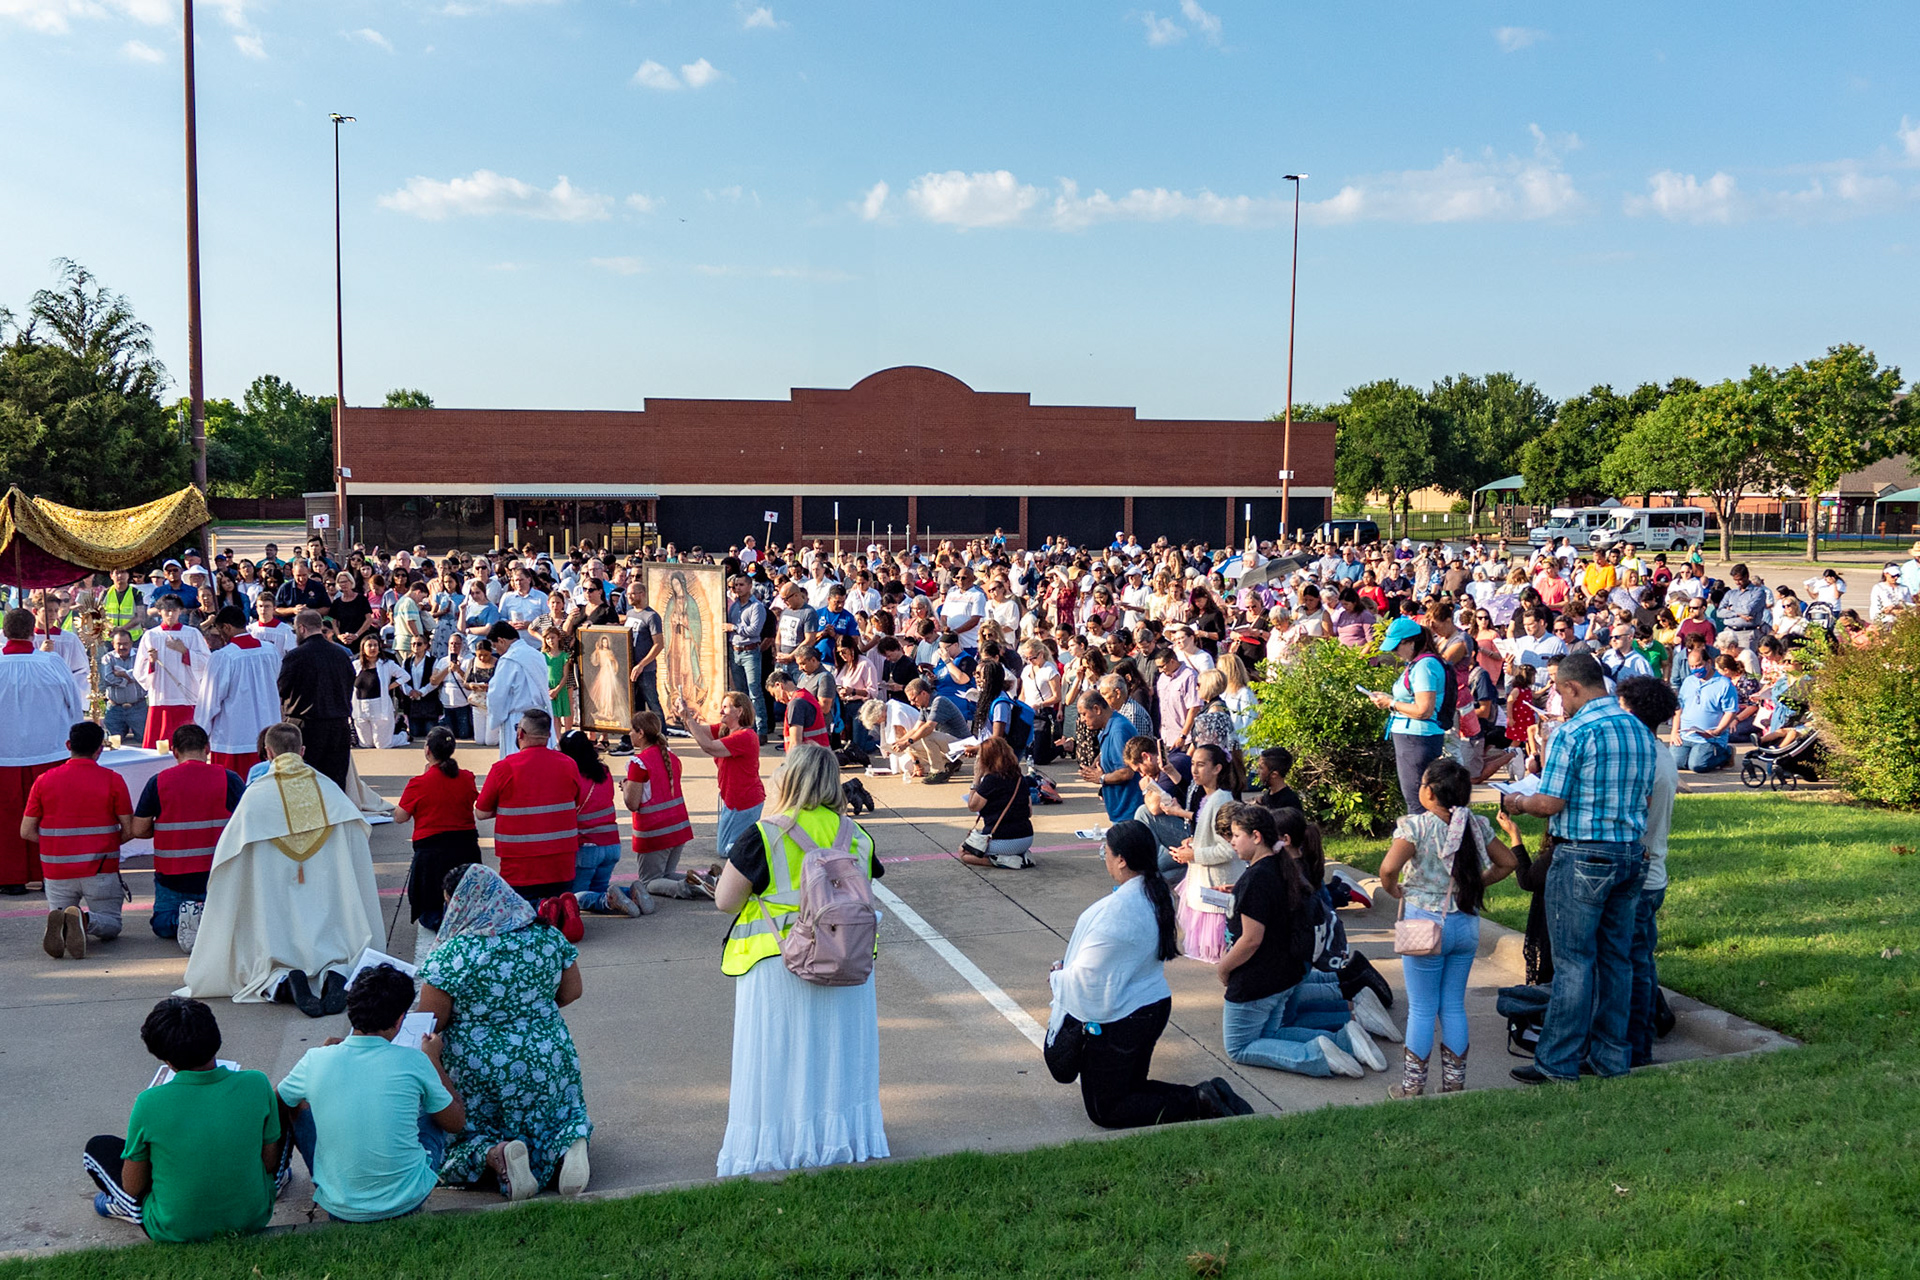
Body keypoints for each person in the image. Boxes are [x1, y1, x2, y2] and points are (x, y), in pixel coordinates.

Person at [713, 744, 888, 1176]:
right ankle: (839, 1140)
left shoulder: (766, 832)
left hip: (777, 964)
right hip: (847, 963)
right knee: (836, 1058)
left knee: (777, 1063)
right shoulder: (858, 836)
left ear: (789, 779)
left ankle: (778, 1145)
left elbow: (725, 900)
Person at [1501, 652, 1658, 1084]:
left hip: (1583, 855)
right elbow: (1644, 799)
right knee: (1616, 960)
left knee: (1574, 962)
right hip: (1630, 853)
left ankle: (1557, 1061)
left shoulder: (1575, 732)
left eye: (1559, 692)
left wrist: (1516, 802)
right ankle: (1611, 1057)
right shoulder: (1640, 731)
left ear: (1572, 687)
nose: (1558, 701)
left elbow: (1550, 803)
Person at [1049, 820, 1252, 1128]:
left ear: (1121, 859)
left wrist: (1057, 977)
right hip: (1147, 1007)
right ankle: (1206, 1096)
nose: (1103, 855)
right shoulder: (1152, 894)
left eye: (1106, 850)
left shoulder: (1117, 911)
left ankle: (1200, 1100)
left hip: (1125, 1019)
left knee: (1106, 1110)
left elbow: (1088, 982)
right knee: (1127, 1088)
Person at [178, 722, 380, 1018]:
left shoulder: (256, 797)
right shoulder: (329, 791)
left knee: (269, 946)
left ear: (268, 753)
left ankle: (283, 980)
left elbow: (228, 858)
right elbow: (356, 843)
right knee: (336, 944)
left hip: (272, 893)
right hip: (324, 888)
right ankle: (336, 972)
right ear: (302, 751)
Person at [417, 864, 593, 1201]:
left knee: (460, 1136)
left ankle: (496, 1154)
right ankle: (568, 1143)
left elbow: (430, 1022)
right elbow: (572, 992)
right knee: (556, 1116)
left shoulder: (452, 954)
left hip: (480, 1071)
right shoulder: (547, 936)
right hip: (549, 1058)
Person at [277, 964, 467, 1221]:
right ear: (400, 1020)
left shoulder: (316, 1059)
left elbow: (278, 1099)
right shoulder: (415, 1061)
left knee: (296, 1104)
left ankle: (292, 1176)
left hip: (339, 1202)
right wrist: (433, 1059)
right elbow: (455, 1122)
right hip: (407, 1198)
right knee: (433, 1109)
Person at [82, 997, 281, 1240]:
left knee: (97, 1149)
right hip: (253, 1216)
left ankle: (120, 1207)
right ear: (215, 1039)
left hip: (175, 1227)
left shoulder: (149, 1102)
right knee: (278, 1112)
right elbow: (269, 1163)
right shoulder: (257, 1083)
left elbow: (133, 1187)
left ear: (165, 1059)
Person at [1377, 757, 1517, 1098]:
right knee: (1453, 1005)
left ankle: (1412, 1087)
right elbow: (1509, 862)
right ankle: (1454, 1084)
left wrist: (1395, 890)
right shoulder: (1476, 825)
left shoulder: (1417, 827)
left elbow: (1387, 870)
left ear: (1429, 792)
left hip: (1424, 925)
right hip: (1464, 923)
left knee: (1423, 1008)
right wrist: (1476, 884)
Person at [1216, 804, 1382, 1080]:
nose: (1232, 841)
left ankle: (1317, 1055)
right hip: (1285, 974)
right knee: (1272, 1033)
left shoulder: (1257, 878)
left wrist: (1224, 968)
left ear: (1256, 836)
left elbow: (1251, 940)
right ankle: (1345, 1041)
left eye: (1236, 835)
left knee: (1239, 1046)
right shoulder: (1282, 867)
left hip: (1258, 980)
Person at [129, 723, 243, 952]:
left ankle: (185, 921)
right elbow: (246, 822)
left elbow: (138, 829)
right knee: (236, 921)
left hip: (173, 876)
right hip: (217, 873)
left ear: (174, 751)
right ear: (208, 748)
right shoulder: (229, 779)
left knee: (161, 925)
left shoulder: (158, 782)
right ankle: (210, 921)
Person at [24, 721, 134, 958]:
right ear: (100, 749)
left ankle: (64, 922)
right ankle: (85, 919)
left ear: (68, 745)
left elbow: (26, 831)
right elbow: (129, 828)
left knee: (60, 912)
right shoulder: (112, 779)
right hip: (101, 868)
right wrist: (109, 843)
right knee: (111, 926)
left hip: (56, 870)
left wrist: (57, 846)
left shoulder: (44, 780)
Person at [1617, 676, 1681, 1069]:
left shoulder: (1647, 761)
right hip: (1652, 873)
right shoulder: (1656, 752)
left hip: (1643, 876)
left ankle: (1639, 1046)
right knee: (1641, 958)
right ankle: (1651, 1023)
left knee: (1635, 964)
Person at [0, 607, 86, 893]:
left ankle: (10, 877)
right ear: (30, 632)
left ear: (4, 631)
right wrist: (75, 742)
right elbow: (74, 703)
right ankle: (53, 871)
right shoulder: (52, 662)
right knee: (50, 816)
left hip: (6, 752)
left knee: (7, 816)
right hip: (50, 749)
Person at [474, 709, 585, 903]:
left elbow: (481, 812)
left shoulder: (503, 768)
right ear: (549, 734)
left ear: (520, 734)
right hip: (561, 865)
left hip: (519, 867)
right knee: (559, 905)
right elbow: (575, 801)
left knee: (521, 918)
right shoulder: (569, 765)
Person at [392, 727, 481, 935]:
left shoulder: (419, 784)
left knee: (430, 913)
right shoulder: (467, 778)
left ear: (428, 751)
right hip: (465, 848)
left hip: (431, 854)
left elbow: (400, 816)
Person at [679, 690, 766, 877]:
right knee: (726, 848)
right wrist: (686, 717)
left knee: (727, 850)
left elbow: (708, 746)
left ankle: (765, 851)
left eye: (726, 707)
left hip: (744, 800)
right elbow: (698, 731)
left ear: (740, 712)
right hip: (733, 798)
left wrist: (689, 719)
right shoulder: (725, 730)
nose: (721, 711)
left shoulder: (745, 736)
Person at [1366, 616, 1447, 815]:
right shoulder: (1418, 664)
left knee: (1417, 802)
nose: (1394, 653)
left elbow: (1423, 709)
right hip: (1415, 737)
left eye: (1396, 648)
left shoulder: (1424, 666)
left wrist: (1391, 703)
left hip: (1416, 739)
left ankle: (1424, 843)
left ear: (1410, 642)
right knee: (1420, 800)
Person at [1169, 743, 1241, 963]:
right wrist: (1194, 842)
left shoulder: (1221, 802)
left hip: (1217, 885)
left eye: (1201, 765)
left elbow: (1228, 849)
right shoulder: (1209, 798)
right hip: (1204, 883)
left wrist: (1193, 855)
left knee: (1217, 956)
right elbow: (1211, 837)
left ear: (1217, 768)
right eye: (1193, 764)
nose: (1194, 770)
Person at [194, 607, 284, 777]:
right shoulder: (270, 651)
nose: (220, 636)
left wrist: (201, 732)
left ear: (227, 627)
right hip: (268, 735)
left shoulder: (224, 656)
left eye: (220, 630)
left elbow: (209, 700)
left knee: (234, 792)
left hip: (233, 738)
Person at [559, 729, 640, 917]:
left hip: (586, 845)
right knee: (600, 887)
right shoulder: (603, 771)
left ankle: (610, 901)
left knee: (574, 897)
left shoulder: (570, 775)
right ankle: (631, 893)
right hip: (612, 843)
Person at [277, 610, 356, 790]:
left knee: (305, 781)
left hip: (306, 726)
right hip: (339, 724)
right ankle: (334, 817)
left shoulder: (295, 656)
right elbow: (351, 683)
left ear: (302, 628)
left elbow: (282, 688)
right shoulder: (341, 654)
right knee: (335, 783)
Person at [621, 710, 694, 905]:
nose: (629, 734)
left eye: (632, 730)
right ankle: (702, 881)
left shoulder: (639, 764)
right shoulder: (671, 756)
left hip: (655, 832)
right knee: (667, 874)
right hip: (678, 828)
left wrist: (626, 786)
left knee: (648, 881)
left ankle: (685, 888)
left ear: (641, 733)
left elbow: (632, 803)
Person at [134, 595, 210, 749]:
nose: (170, 614)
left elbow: (207, 662)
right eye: (166, 610)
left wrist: (185, 652)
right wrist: (151, 662)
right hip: (162, 695)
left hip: (186, 695)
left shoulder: (192, 634)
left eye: (174, 610)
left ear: (180, 611)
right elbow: (138, 670)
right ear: (160, 612)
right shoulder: (151, 635)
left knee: (188, 744)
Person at [481, 620, 553, 759]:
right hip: (540, 716)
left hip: (518, 719)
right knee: (539, 759)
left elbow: (497, 694)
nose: (497, 651)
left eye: (495, 646)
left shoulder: (509, 659)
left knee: (517, 760)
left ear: (501, 641)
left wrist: (495, 717)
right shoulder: (537, 655)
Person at [959, 735, 1033, 869]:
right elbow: (1029, 811)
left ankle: (1001, 860)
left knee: (964, 852)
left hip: (1003, 840)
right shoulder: (1019, 778)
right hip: (1026, 837)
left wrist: (976, 778)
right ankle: (1020, 856)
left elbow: (972, 806)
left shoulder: (991, 780)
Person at [1077, 689, 1142, 822]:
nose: (1082, 720)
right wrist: (1098, 760)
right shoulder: (1109, 727)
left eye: (1084, 714)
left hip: (1128, 812)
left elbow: (1126, 772)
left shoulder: (1119, 730)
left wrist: (1101, 778)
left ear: (1097, 709)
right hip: (1119, 809)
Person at [1672, 646, 1739, 772]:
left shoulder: (1724, 684)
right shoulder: (1688, 681)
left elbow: (1731, 711)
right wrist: (1674, 732)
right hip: (1686, 735)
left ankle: (1726, 753)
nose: (1695, 669)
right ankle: (1695, 756)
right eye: (1692, 666)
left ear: (1708, 662)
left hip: (1710, 738)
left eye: (1698, 665)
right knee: (1675, 762)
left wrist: (1718, 731)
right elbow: (1679, 707)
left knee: (1698, 766)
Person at [348, 633, 408, 749]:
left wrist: (390, 686)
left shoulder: (387, 664)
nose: (373, 648)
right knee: (366, 744)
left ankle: (403, 735)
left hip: (380, 707)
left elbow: (405, 676)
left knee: (382, 745)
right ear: (363, 648)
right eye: (369, 646)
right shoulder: (355, 665)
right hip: (361, 707)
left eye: (375, 645)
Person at [99, 627, 150, 746]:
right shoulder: (107, 658)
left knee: (144, 741)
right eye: (119, 644)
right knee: (113, 743)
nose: (122, 647)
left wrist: (122, 675)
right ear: (113, 644)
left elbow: (142, 675)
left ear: (131, 643)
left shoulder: (140, 656)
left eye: (126, 644)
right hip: (114, 709)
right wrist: (129, 678)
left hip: (138, 708)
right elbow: (108, 679)